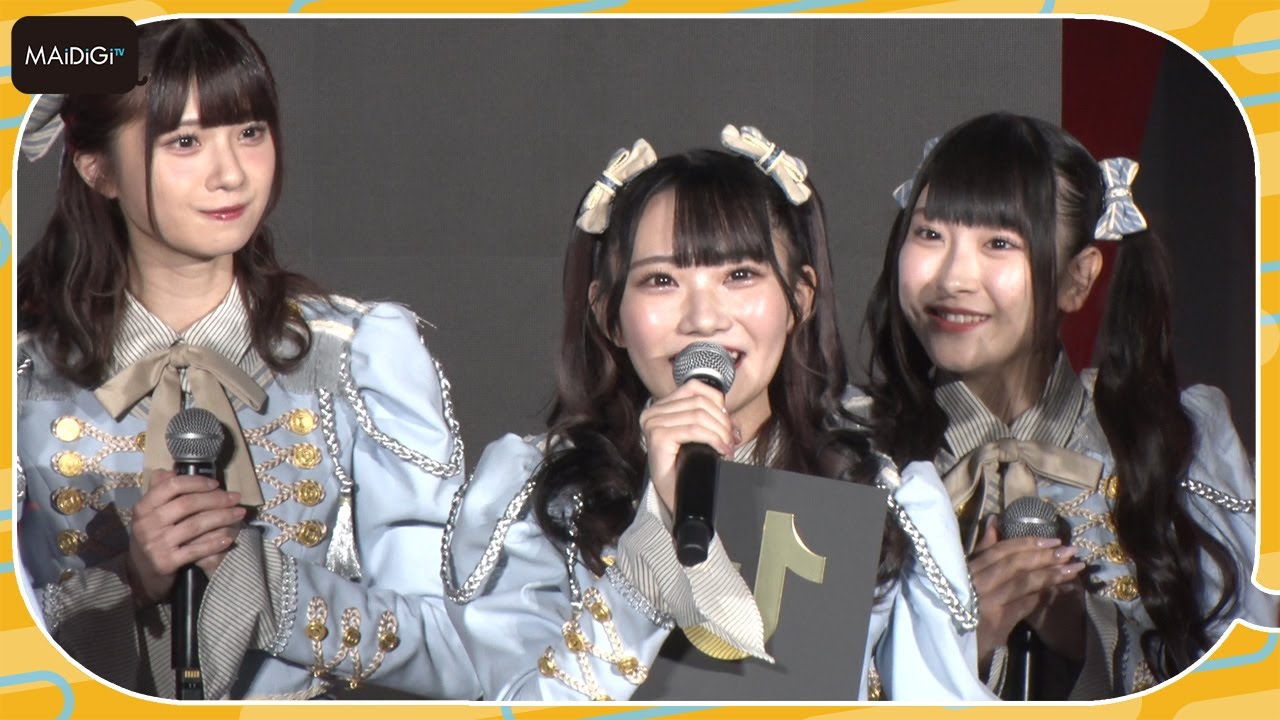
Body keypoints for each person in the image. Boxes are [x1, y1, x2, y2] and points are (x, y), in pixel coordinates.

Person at [16, 19, 479, 700]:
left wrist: (271, 590)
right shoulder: (23, 379)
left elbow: (454, 642)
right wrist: (128, 582)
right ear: (97, 168)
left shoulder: (355, 358)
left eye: (250, 132)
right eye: (185, 141)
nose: (231, 173)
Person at [444, 126, 990, 700]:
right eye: (661, 280)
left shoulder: (877, 494)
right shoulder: (541, 498)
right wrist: (648, 554)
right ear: (609, 315)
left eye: (740, 275)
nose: (703, 318)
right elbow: (523, 709)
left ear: (800, 298)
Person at [861, 111, 1276, 698]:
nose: (953, 277)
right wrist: (950, 646)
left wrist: (1087, 634)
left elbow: (1249, 689)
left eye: (999, 243)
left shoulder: (1177, 443)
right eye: (930, 235)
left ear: (1078, 279)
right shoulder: (849, 451)